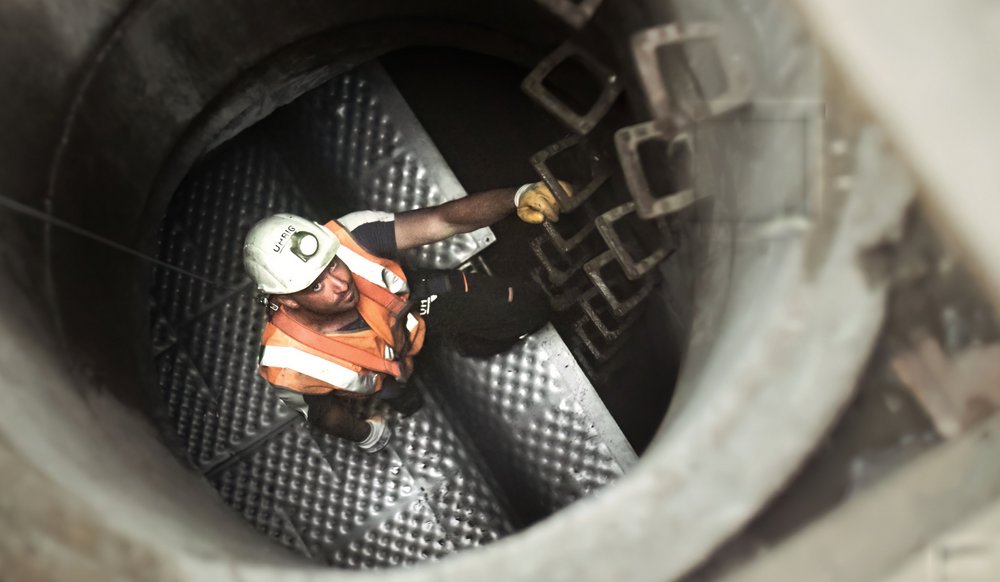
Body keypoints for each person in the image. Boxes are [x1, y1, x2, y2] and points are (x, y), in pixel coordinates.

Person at [242, 181, 572, 452]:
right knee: (402, 397)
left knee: (526, 309)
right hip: (385, 381)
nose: (341, 283)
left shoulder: (351, 236)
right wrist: (365, 434)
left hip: (415, 312)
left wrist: (516, 196)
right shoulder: (287, 367)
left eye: (332, 263)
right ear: (288, 300)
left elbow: (444, 220)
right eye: (316, 285)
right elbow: (323, 414)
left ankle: (468, 343)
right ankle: (409, 400)